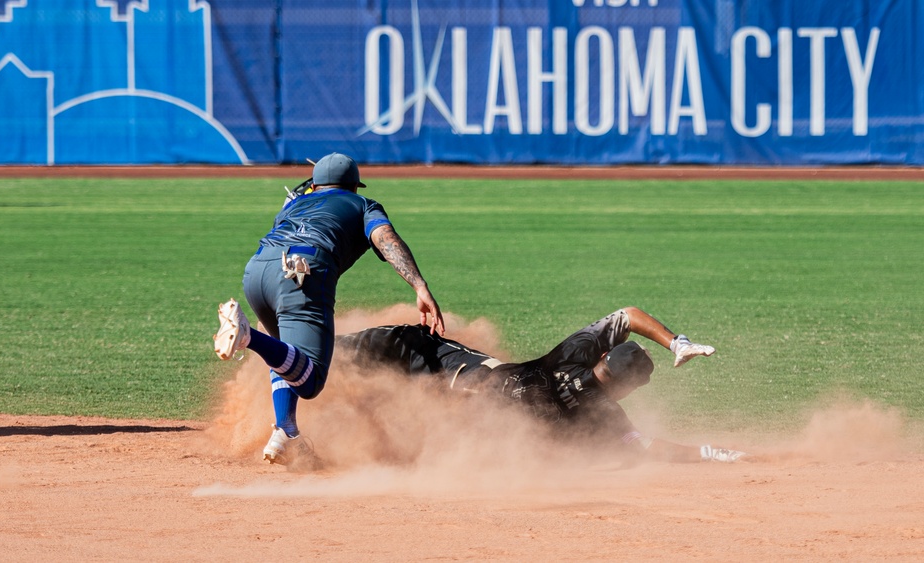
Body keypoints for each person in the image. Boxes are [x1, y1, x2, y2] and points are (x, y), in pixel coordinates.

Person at [213, 153, 445, 468]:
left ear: (316, 183)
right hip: (302, 271)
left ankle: (286, 431)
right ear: (354, 185)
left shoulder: (294, 204)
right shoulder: (363, 205)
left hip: (256, 270)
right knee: (310, 381)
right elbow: (384, 238)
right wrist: (419, 285)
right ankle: (246, 335)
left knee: (285, 354)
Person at [337, 307, 745, 464]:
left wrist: (677, 342)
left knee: (389, 347)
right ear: (629, 390)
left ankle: (294, 352)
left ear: (603, 358)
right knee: (385, 407)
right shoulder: (603, 417)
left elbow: (629, 314)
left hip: (460, 375)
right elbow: (650, 448)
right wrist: (712, 452)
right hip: (458, 430)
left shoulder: (569, 357)